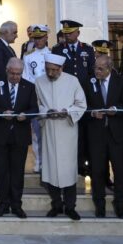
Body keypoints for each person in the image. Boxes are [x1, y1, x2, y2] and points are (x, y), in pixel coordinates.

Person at [34, 53, 87, 221]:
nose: (50, 73)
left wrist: (67, 112)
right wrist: (46, 112)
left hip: (67, 130)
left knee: (68, 170)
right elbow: (37, 104)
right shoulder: (39, 81)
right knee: (51, 169)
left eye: (54, 70)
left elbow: (81, 104)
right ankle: (56, 205)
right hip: (49, 129)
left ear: (61, 69)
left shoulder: (72, 81)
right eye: (48, 70)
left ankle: (70, 207)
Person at [0, 58, 38, 219]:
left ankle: (16, 204)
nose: (16, 77)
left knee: (17, 172)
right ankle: (2, 204)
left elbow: (35, 108)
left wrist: (27, 116)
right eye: (13, 73)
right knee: (1, 171)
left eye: (19, 74)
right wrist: (1, 113)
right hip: (0, 135)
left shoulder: (29, 87)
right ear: (7, 71)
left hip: (20, 136)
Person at [84, 54, 123, 218]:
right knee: (97, 171)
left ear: (109, 68)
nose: (96, 71)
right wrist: (92, 113)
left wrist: (116, 110)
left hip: (116, 135)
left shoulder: (121, 82)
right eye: (95, 67)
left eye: (100, 69)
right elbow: (83, 106)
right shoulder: (89, 83)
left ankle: (119, 204)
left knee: (119, 171)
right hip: (96, 135)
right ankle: (100, 204)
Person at [52, 20, 94, 177]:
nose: (67, 35)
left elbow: (91, 73)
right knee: (67, 132)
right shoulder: (57, 49)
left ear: (78, 33)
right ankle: (67, 165)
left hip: (82, 96)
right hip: (65, 96)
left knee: (83, 132)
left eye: (70, 32)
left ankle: (82, 164)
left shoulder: (87, 50)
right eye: (65, 33)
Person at [21, 24, 50, 173]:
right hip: (35, 98)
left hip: (50, 98)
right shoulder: (28, 56)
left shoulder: (52, 54)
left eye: (40, 38)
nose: (37, 41)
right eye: (35, 38)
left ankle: (49, 162)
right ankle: (38, 162)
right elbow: (25, 78)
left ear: (46, 37)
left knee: (50, 133)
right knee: (36, 133)